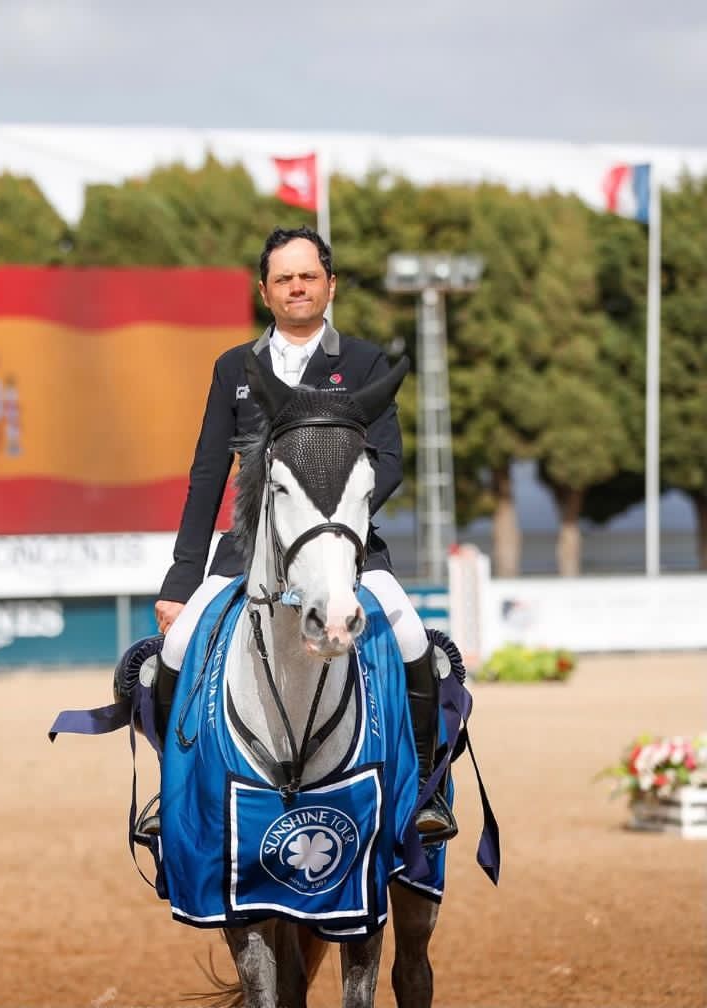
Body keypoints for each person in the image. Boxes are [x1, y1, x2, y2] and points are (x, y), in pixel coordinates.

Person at [149, 225, 456, 843]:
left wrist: (332, 525)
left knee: (412, 638)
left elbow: (388, 460)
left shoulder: (364, 362)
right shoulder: (234, 367)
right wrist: (181, 580)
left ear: (330, 285)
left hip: (348, 550)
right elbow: (209, 474)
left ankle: (427, 792)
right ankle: (170, 791)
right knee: (176, 650)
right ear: (265, 291)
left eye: (308, 276)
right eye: (284, 278)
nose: (297, 287)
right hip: (246, 552)